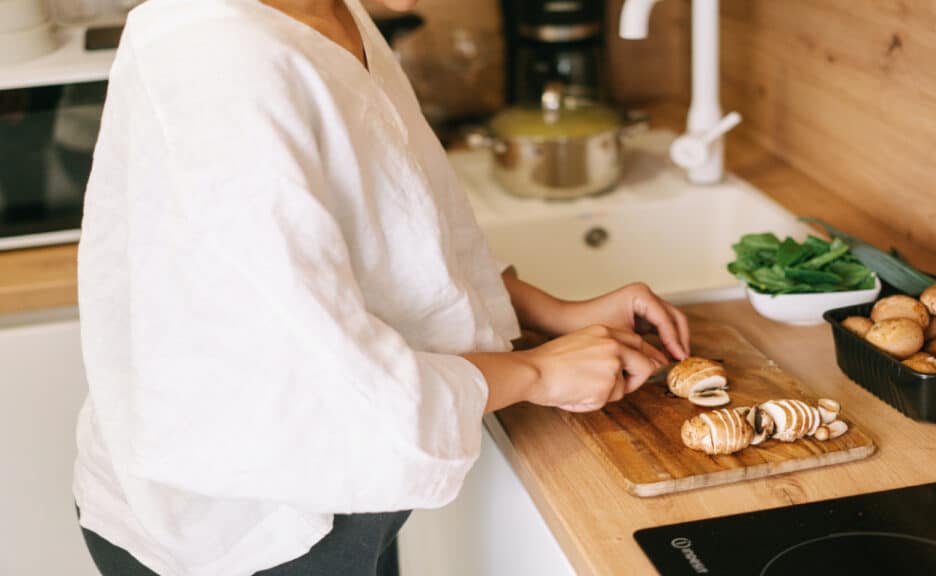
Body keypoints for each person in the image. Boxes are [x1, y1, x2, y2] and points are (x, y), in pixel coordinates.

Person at [73, 0, 691, 574]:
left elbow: (401, 234)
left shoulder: (334, 13)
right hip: (247, 522)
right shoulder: (216, 57)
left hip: (344, 486)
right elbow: (312, 372)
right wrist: (538, 373)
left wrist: (553, 314)